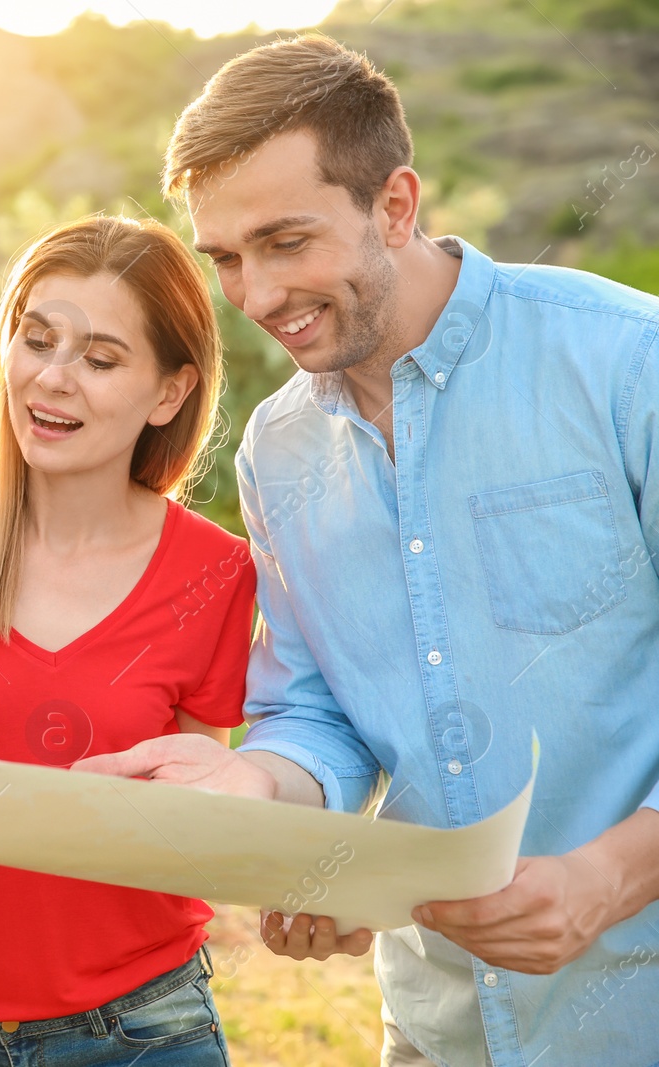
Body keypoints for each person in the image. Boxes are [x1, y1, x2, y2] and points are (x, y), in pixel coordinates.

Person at [82, 34, 659, 1067]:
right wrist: (260, 796)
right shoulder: (278, 449)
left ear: (395, 205)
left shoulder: (627, 364)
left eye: (285, 241)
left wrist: (609, 876)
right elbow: (319, 707)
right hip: (437, 1027)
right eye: (224, 257)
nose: (254, 296)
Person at [0, 215, 255, 1066]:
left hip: (145, 1027)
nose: (53, 379)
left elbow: (191, 815)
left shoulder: (217, 573)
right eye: (37, 340)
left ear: (169, 393)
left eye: (100, 360)